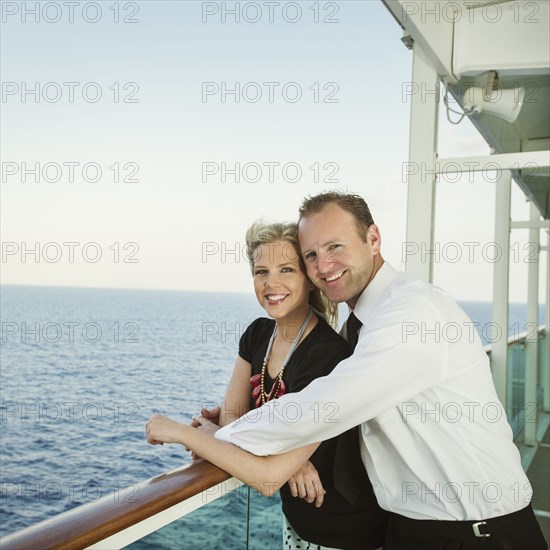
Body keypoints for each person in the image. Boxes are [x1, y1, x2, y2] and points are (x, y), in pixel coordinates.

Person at [209, 192, 548, 549]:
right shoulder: (360, 327)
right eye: (311, 255)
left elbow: (318, 410)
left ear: (373, 239)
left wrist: (216, 434)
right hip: (410, 529)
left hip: (478, 535)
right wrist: (254, 423)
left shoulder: (410, 315)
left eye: (335, 247)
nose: (324, 266)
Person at [146, 221, 388, 550]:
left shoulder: (328, 356)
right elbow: (232, 425)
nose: (271, 283)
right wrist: (285, 456)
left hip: (347, 532)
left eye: (286, 269)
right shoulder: (258, 334)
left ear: (309, 277)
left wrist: (184, 432)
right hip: (296, 521)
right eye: (261, 271)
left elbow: (266, 477)